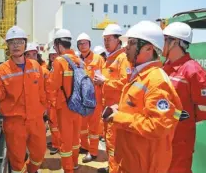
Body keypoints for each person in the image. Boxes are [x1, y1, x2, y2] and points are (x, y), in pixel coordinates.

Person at [103, 21, 183, 173]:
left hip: (145, 165)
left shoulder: (156, 81)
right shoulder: (141, 75)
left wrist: (119, 117)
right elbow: (138, 109)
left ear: (148, 48)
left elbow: (157, 126)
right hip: (132, 160)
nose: (126, 47)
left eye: (132, 43)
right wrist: (119, 109)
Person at [0, 26, 46, 173]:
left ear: (25, 44)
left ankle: (32, 170)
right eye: (12, 42)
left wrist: (45, 110)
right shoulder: (2, 70)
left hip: (36, 120)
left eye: (19, 41)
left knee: (39, 154)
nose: (16, 45)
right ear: (8, 46)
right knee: (17, 162)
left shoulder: (35, 65)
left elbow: (42, 91)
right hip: (14, 123)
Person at [162, 22, 206, 173]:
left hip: (180, 140)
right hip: (162, 135)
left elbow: (202, 109)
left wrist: (183, 120)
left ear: (175, 42)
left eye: (165, 39)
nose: (162, 43)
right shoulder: (164, 67)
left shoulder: (193, 71)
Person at [93, 24, 131, 173]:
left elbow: (126, 82)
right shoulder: (110, 59)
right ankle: (111, 168)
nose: (106, 43)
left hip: (117, 109)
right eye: (104, 40)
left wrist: (105, 81)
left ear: (118, 40)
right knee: (109, 143)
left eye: (109, 39)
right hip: (107, 108)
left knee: (114, 144)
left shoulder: (123, 58)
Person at [47, 28, 82, 173]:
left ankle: (68, 169)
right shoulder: (79, 60)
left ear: (57, 44)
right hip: (78, 106)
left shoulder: (59, 61)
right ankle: (74, 164)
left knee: (66, 141)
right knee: (75, 139)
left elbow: (53, 86)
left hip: (65, 107)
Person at [76, 32, 105, 163]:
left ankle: (93, 152)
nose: (83, 46)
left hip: (94, 99)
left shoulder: (98, 59)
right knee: (81, 126)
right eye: (80, 43)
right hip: (81, 100)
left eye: (85, 43)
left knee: (93, 128)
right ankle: (84, 146)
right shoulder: (77, 60)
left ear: (89, 44)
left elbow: (102, 79)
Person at [46, 47, 61, 155]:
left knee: (59, 125)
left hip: (59, 101)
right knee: (53, 125)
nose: (53, 57)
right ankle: (56, 144)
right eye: (51, 55)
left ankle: (59, 144)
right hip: (49, 102)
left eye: (55, 55)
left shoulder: (61, 67)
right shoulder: (47, 68)